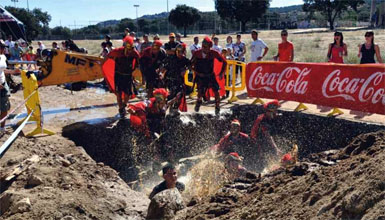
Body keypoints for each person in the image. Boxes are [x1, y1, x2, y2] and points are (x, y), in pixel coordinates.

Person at [191, 36, 227, 115]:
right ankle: (198, 102)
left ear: (210, 47)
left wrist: (221, 73)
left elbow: (224, 62)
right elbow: (190, 64)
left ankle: (217, 108)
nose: (204, 48)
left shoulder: (214, 53)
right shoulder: (197, 53)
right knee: (200, 93)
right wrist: (195, 72)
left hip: (210, 76)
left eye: (206, 47)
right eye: (203, 46)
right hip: (200, 76)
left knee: (216, 92)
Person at [107, 36, 140, 118]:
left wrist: (135, 70)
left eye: (131, 49)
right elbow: (107, 57)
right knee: (118, 93)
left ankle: (124, 106)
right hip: (118, 75)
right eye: (129, 49)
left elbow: (139, 62)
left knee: (128, 94)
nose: (130, 51)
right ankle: (120, 108)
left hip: (128, 76)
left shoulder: (134, 52)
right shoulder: (117, 51)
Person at [250, 100, 283, 171]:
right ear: (271, 110)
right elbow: (268, 136)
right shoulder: (263, 120)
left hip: (263, 138)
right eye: (276, 110)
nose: (276, 112)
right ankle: (266, 169)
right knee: (267, 155)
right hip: (258, 140)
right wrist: (276, 148)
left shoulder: (269, 115)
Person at [162, 43, 191, 113]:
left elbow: (190, 64)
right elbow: (164, 66)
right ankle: (164, 108)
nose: (179, 53)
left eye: (181, 52)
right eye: (178, 51)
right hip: (170, 79)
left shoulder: (184, 59)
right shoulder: (171, 58)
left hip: (179, 80)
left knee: (180, 94)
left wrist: (185, 69)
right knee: (172, 95)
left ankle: (174, 108)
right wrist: (161, 72)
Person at [1, 40, 20, 133]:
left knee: (5, 107)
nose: (3, 49)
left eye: (4, 47)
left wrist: (12, 71)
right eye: (1, 47)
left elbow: (3, 70)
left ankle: (2, 128)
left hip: (3, 85)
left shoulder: (3, 56)